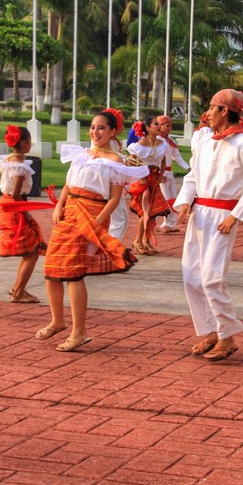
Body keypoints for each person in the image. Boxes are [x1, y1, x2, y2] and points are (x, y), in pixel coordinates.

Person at [41, 109, 148, 352]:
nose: (95, 132)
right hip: (69, 212)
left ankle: (79, 331)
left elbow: (114, 199)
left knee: (74, 272)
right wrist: (59, 205)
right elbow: (69, 183)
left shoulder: (116, 161)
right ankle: (57, 320)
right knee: (51, 268)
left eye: (101, 128)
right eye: (92, 127)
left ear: (113, 132)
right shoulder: (81, 154)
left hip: (91, 215)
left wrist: (97, 222)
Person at [174, 89, 243, 361]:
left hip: (223, 217)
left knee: (212, 278)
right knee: (191, 277)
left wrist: (235, 216)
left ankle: (227, 337)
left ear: (225, 111)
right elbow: (192, 175)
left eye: (212, 108)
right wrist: (184, 203)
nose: (208, 114)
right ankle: (209, 332)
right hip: (200, 214)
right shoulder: (206, 142)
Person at [0, 125, 46, 304]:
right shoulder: (20, 166)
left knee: (29, 251)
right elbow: (16, 194)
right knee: (32, 253)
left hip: (8, 205)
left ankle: (18, 288)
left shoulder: (9, 160)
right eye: (28, 141)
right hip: (15, 206)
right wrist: (26, 213)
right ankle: (18, 291)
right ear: (21, 142)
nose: (30, 144)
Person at [127, 118, 170, 254]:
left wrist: (161, 175)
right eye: (156, 124)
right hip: (142, 180)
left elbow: (163, 161)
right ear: (148, 127)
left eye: (160, 124)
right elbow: (130, 163)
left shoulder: (162, 143)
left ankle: (145, 240)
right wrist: (139, 172)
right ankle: (137, 241)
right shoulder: (140, 144)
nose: (159, 126)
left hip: (154, 179)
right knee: (145, 211)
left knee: (152, 211)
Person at [157, 115, 189, 233]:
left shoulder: (169, 141)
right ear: (160, 126)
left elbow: (177, 157)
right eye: (167, 125)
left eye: (170, 125)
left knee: (172, 199)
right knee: (165, 199)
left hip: (169, 172)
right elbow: (156, 158)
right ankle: (157, 222)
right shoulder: (157, 140)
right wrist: (160, 173)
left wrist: (188, 168)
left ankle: (168, 224)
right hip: (162, 174)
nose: (170, 128)